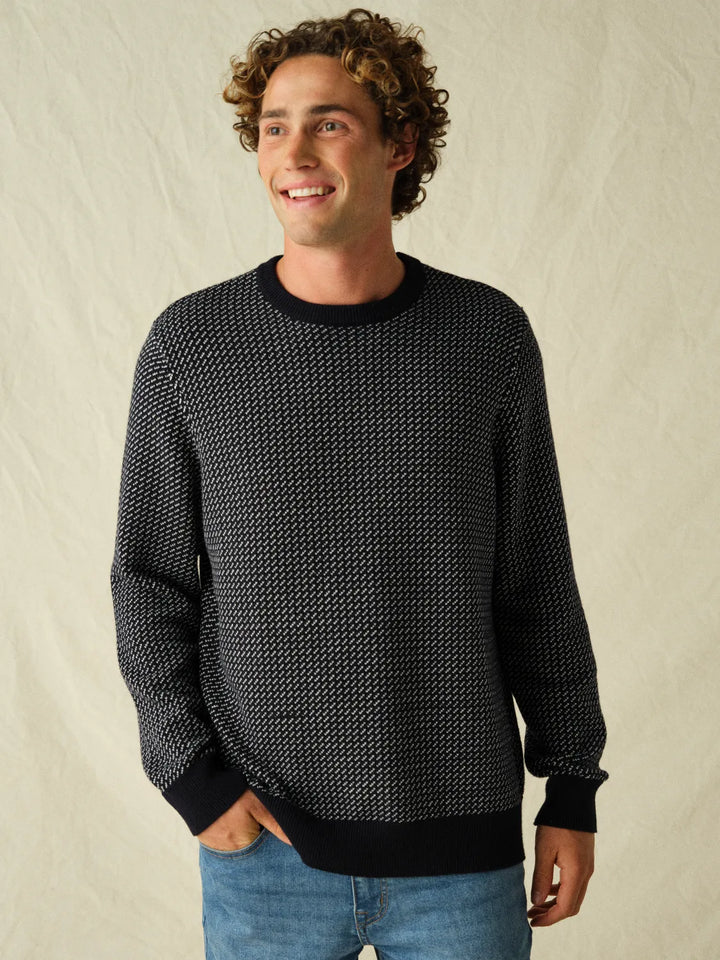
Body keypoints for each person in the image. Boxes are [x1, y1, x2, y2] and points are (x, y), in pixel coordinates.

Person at [110, 8, 608, 959]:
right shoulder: (192, 348)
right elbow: (149, 580)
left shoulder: (488, 339)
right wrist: (193, 781)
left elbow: (536, 580)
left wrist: (572, 785)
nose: (294, 152)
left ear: (399, 146)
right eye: (274, 126)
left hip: (462, 851)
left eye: (329, 122)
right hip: (266, 850)